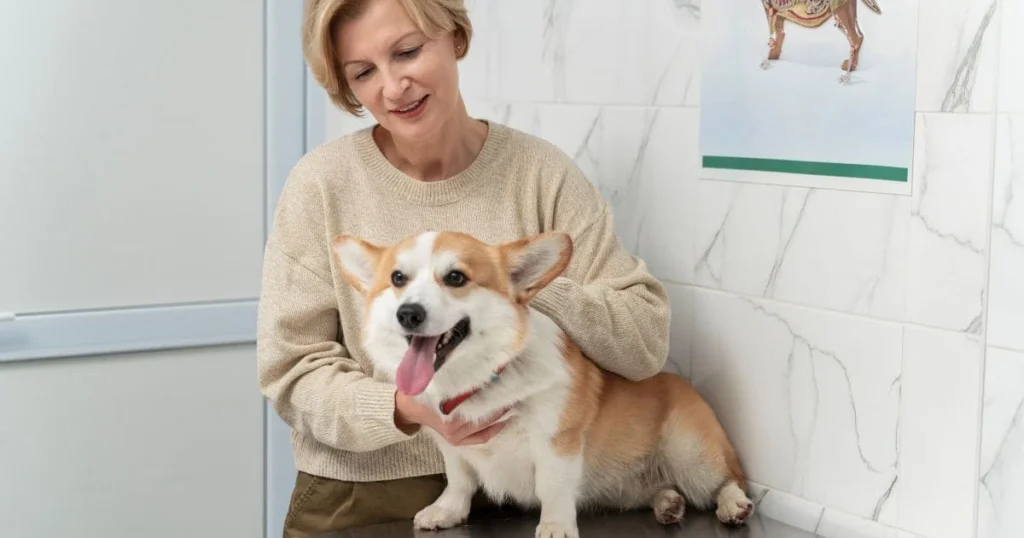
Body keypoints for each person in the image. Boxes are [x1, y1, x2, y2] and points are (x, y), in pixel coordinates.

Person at [257, 0, 672, 535]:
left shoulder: (540, 173)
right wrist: (406, 410)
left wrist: (517, 288)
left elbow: (643, 345)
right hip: (366, 495)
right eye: (363, 73)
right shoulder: (321, 184)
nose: (393, 86)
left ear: (454, 36)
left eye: (406, 52)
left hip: (533, 490)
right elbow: (289, 371)